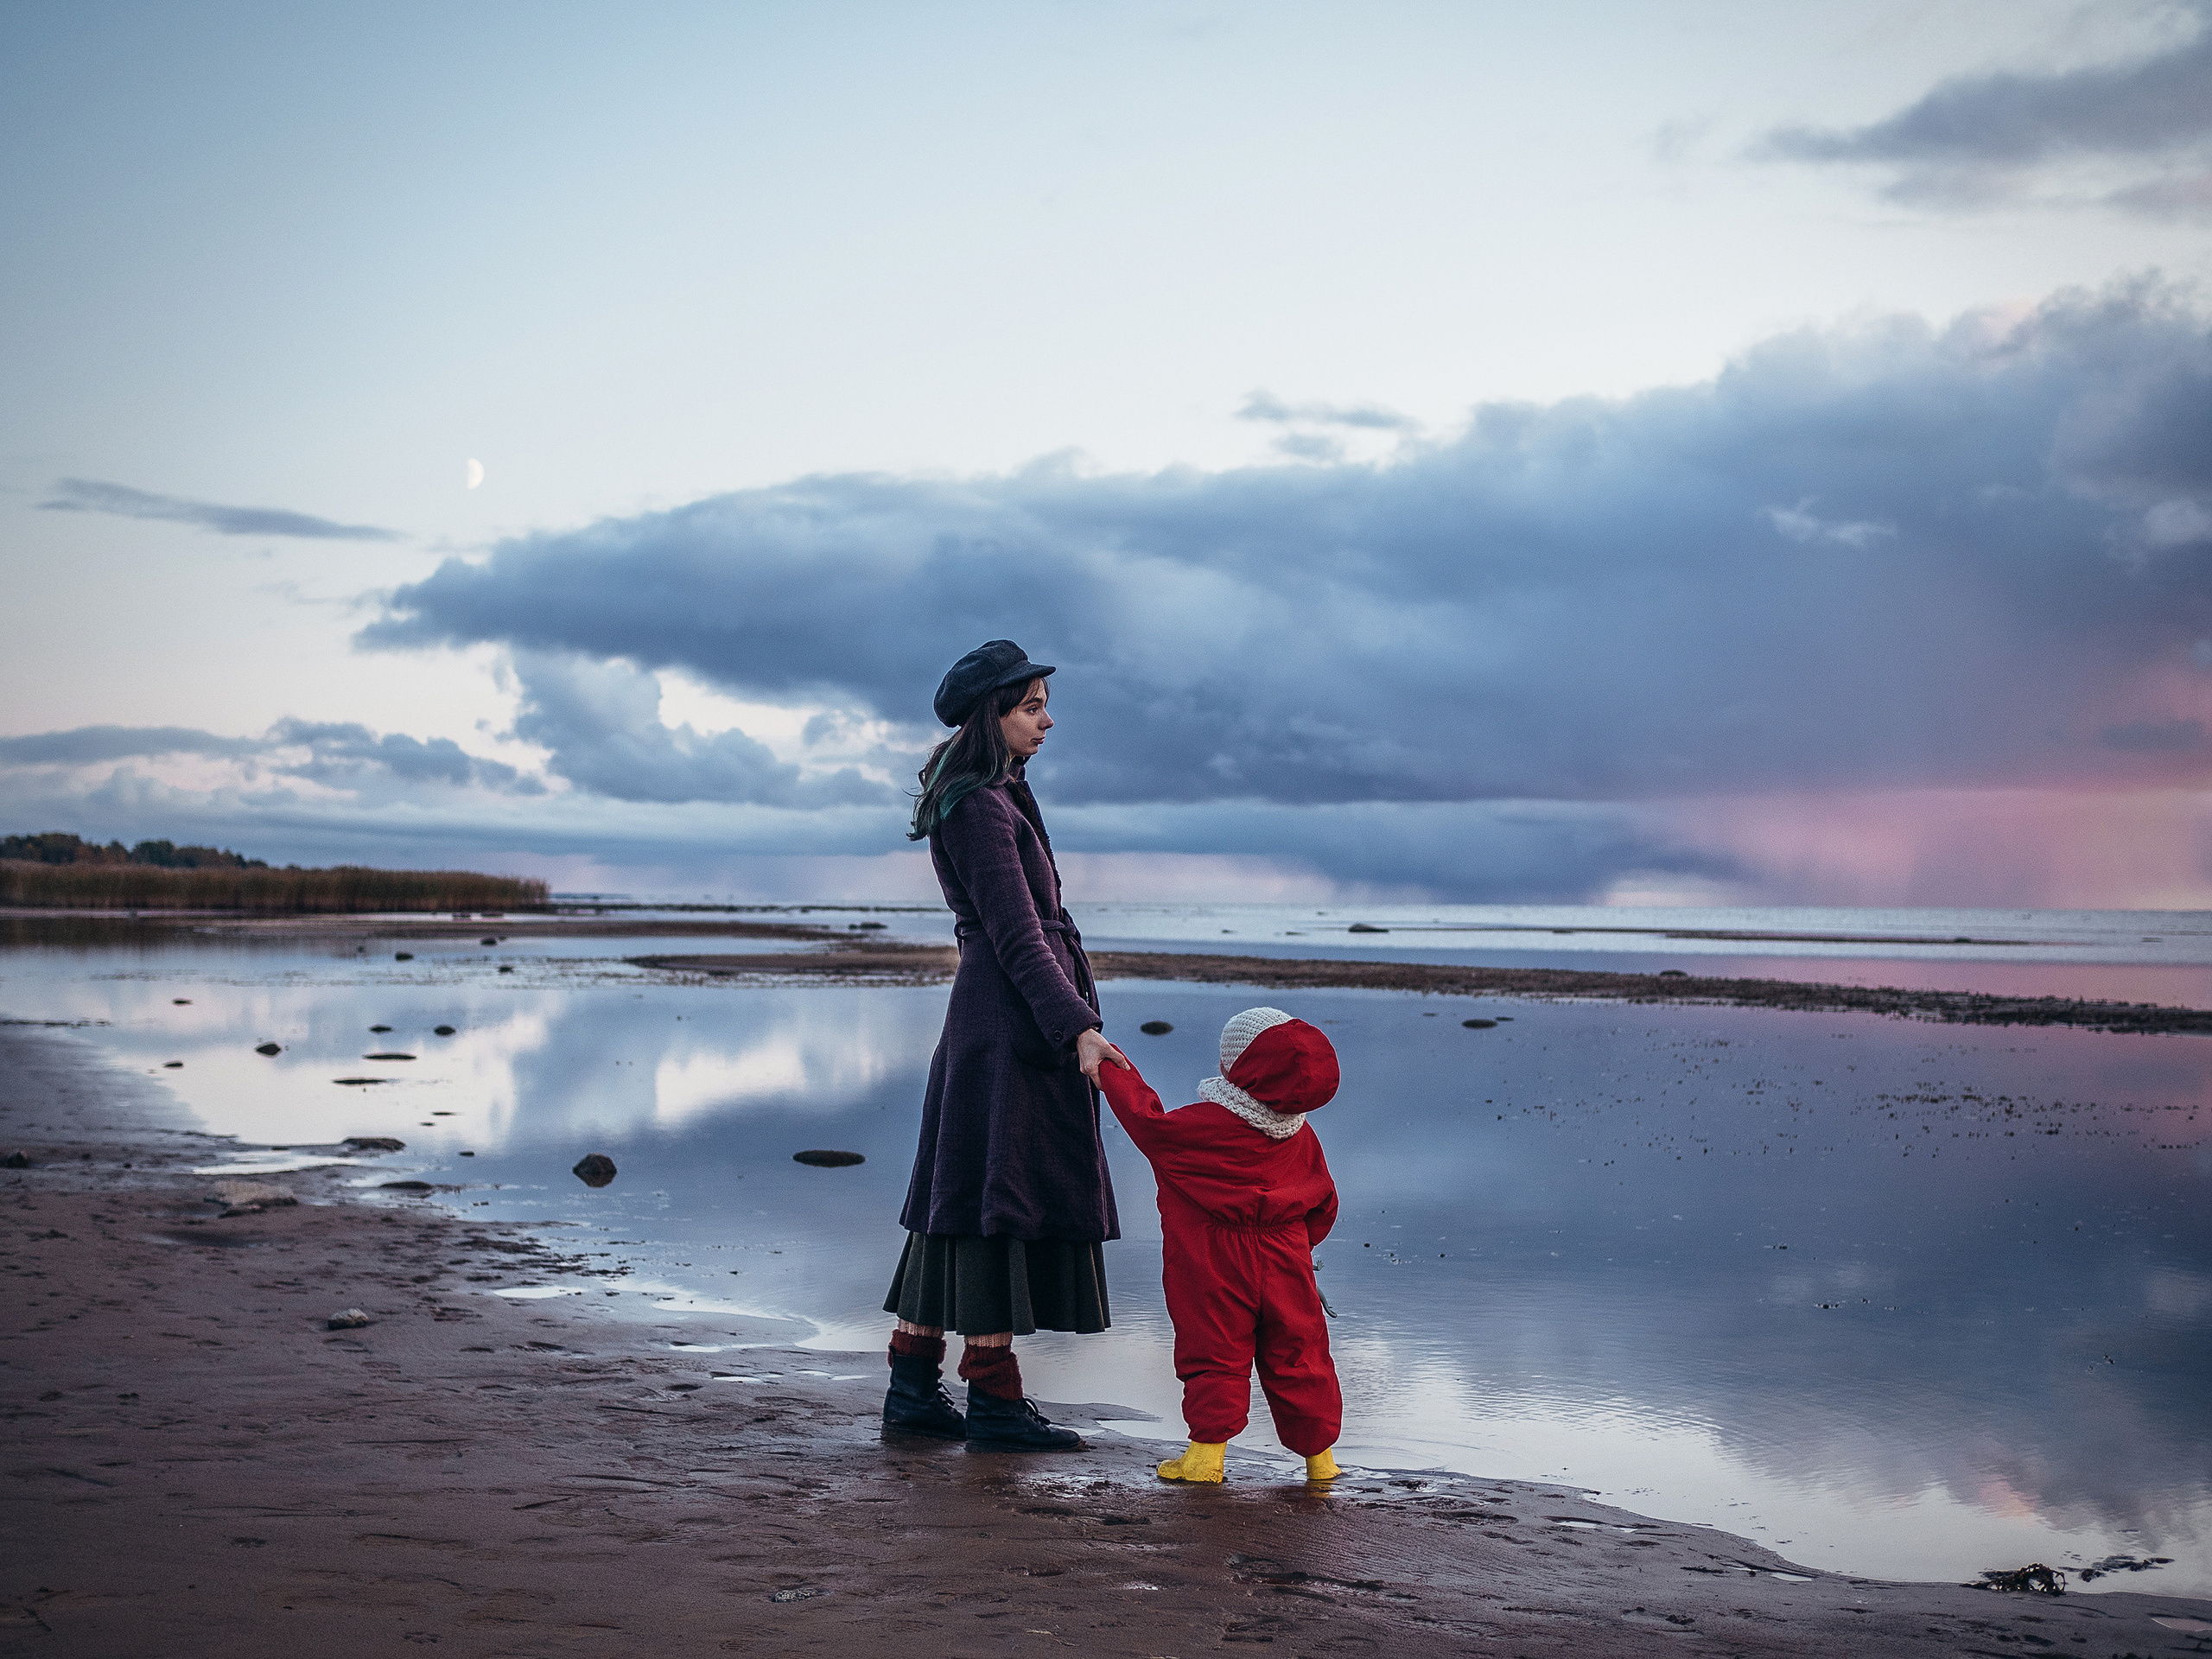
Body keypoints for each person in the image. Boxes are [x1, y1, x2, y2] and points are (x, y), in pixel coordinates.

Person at [881, 639, 1132, 1452]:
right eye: (1031, 707)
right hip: (1006, 1022)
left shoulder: (994, 793)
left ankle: (913, 1391)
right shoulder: (982, 806)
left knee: (963, 1198)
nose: (1048, 720)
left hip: (999, 1014)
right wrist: (1079, 1028)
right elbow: (1018, 934)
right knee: (993, 1201)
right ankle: (992, 1401)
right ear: (992, 716)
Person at [1096, 1007, 1344, 1483]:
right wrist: (1297, 1248)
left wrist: (1111, 1066)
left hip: (1211, 1261)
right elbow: (1325, 1204)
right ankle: (1321, 1462)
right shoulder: (1301, 1135)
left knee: (1214, 1350)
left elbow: (1146, 1120)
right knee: (1301, 1354)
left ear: (1239, 1070)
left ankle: (1206, 1458)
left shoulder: (1200, 1126)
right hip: (1286, 1258)